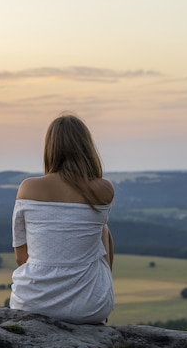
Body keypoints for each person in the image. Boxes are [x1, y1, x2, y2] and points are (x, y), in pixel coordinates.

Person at [9, 113, 115, 324]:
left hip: (32, 303)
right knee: (103, 229)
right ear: (86, 148)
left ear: (50, 148)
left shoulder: (28, 188)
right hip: (90, 307)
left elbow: (22, 258)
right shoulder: (103, 190)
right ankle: (97, 295)